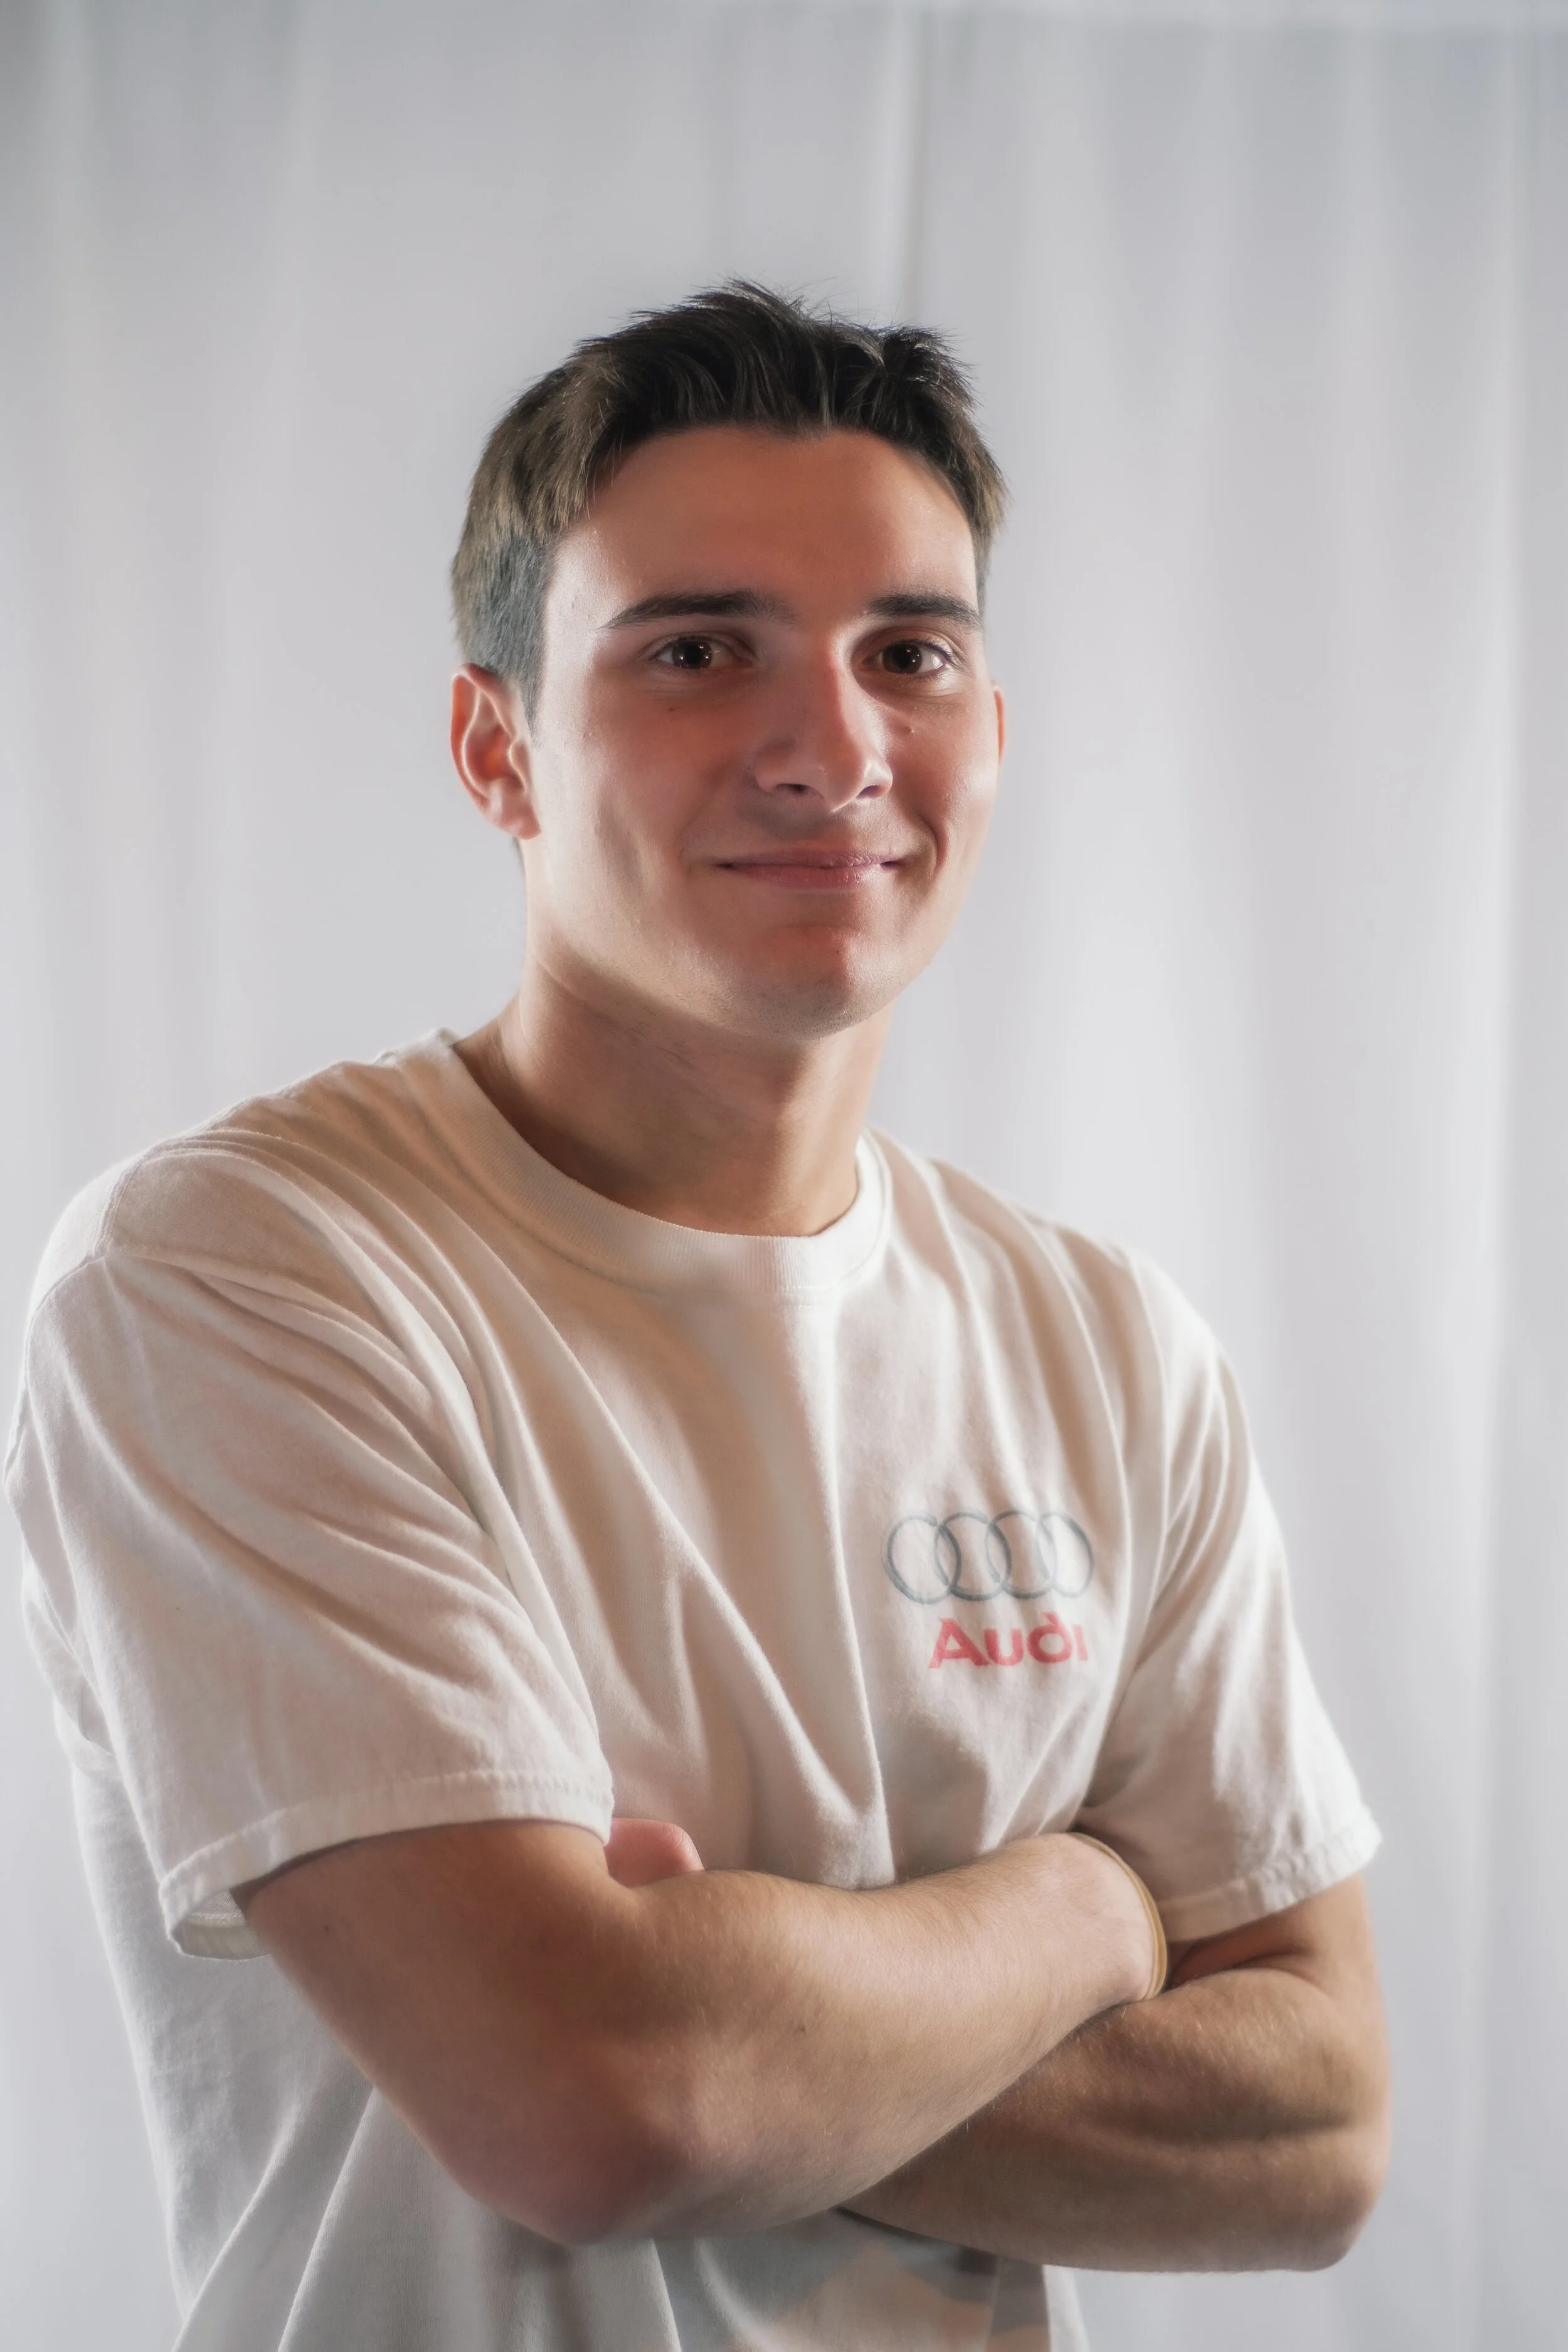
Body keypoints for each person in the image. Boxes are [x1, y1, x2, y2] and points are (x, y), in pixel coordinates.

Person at [6, 284, 1389, 2352]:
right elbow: (600, 2099)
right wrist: (1085, 1907)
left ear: (989, 736)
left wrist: (729, 2012)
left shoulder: (1109, 1344)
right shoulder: (241, 1273)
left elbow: (1317, 2141)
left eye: (908, 653)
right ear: (500, 747)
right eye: (695, 647)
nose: (832, 744)